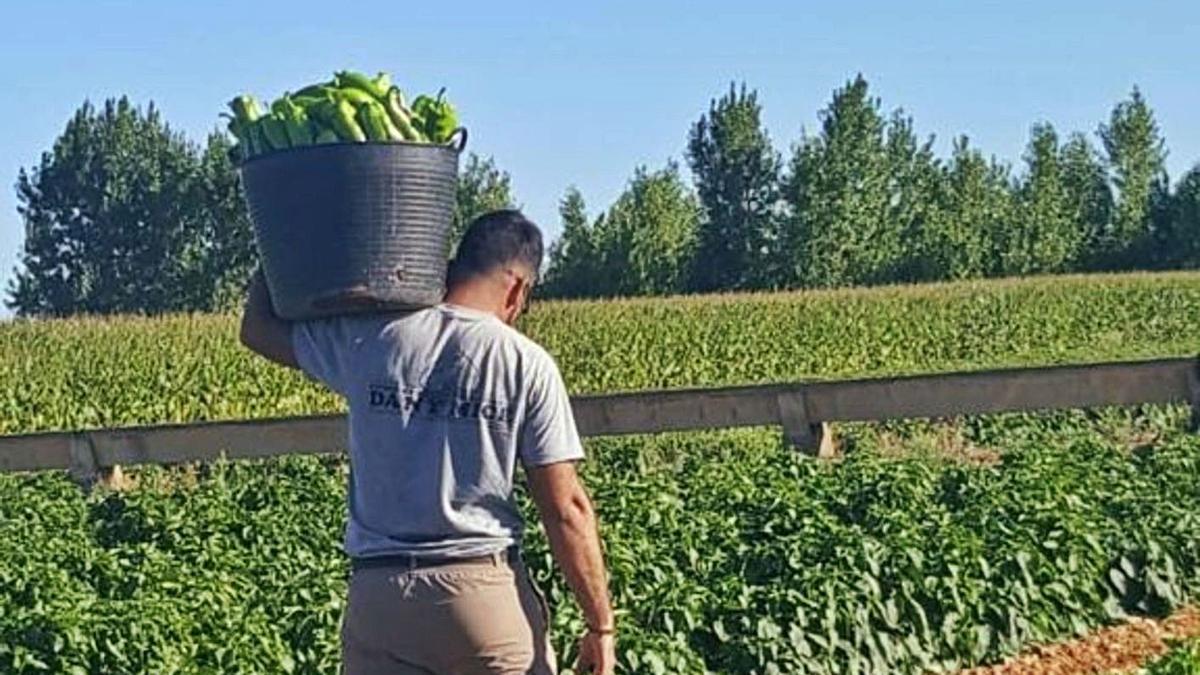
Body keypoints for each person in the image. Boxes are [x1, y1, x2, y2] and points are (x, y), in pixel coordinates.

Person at [239, 210, 616, 675]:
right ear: (517, 288)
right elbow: (566, 507)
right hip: (482, 596)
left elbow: (257, 329)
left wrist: (277, 228)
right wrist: (600, 626)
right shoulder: (525, 363)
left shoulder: (373, 337)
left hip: (382, 598)